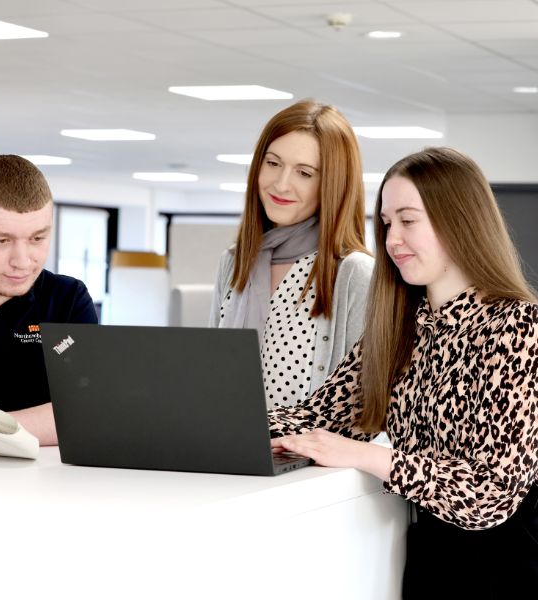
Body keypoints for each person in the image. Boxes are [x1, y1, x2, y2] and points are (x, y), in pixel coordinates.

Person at [269, 146, 538, 598]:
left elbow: (490, 492)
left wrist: (365, 456)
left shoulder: (518, 327)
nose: (392, 239)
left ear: (460, 221)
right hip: (433, 560)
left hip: (508, 566)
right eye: (388, 222)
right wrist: (223, 431)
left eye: (409, 220)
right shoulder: (399, 329)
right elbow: (315, 418)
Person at [210, 99, 373, 408]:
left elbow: (366, 406)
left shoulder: (354, 273)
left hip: (311, 456)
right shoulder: (234, 262)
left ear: (332, 185)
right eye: (272, 163)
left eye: (304, 173)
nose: (281, 184)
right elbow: (210, 373)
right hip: (228, 447)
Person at [0, 154, 98, 456]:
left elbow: (84, 410)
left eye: (37, 238)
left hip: (43, 486)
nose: (23, 261)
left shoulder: (68, 299)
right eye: (1, 241)